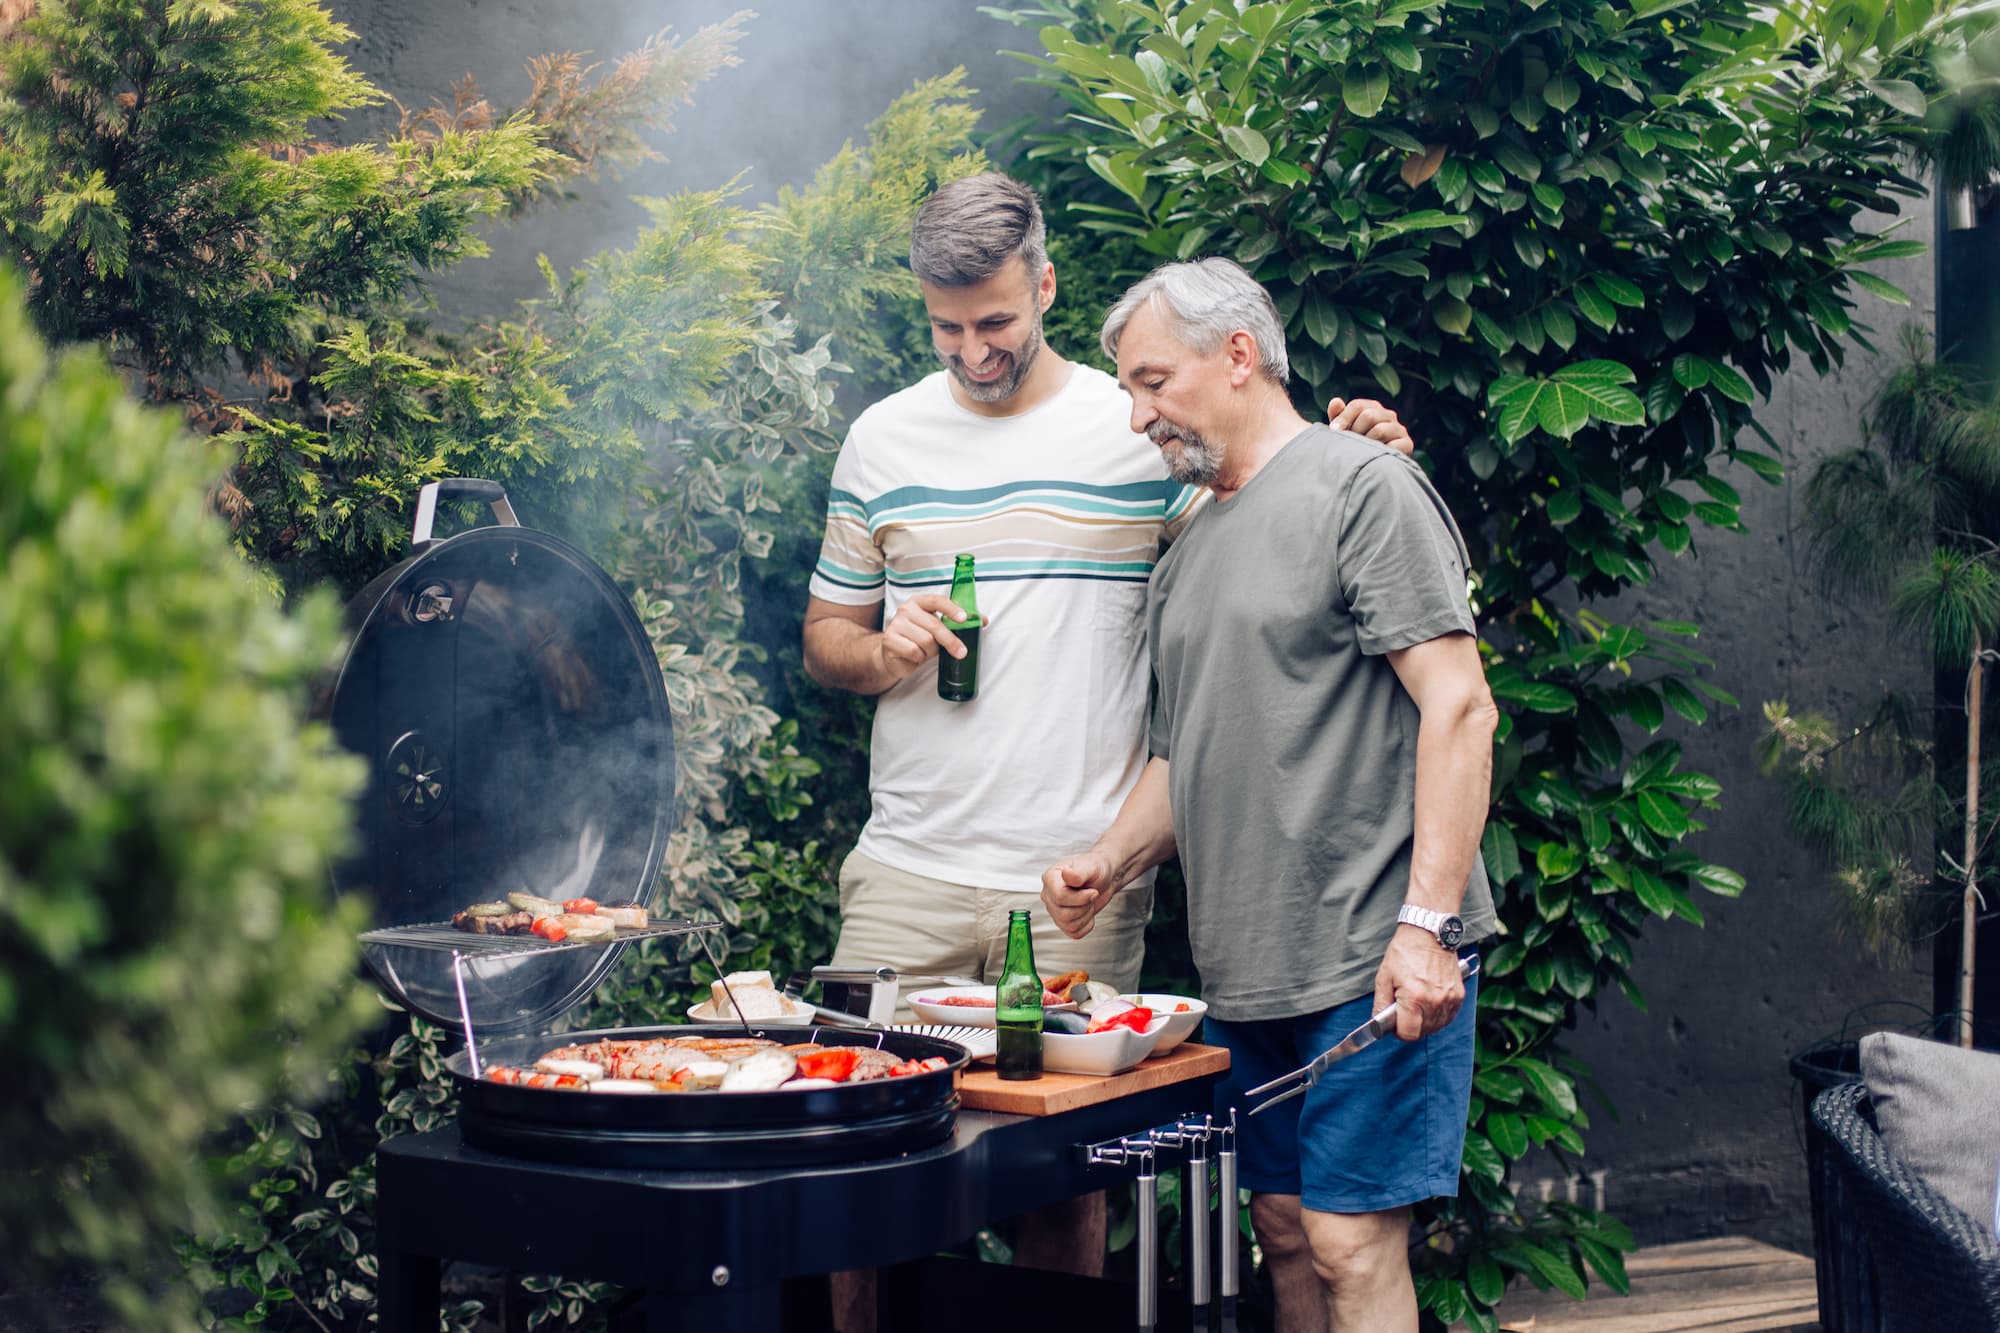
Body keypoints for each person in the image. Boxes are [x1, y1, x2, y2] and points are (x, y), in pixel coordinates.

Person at [800, 174, 1412, 1326]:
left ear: (1043, 285)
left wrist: (1357, 451)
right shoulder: (881, 437)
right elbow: (824, 636)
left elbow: (1266, 509)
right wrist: (880, 650)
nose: (973, 349)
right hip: (906, 870)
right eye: (945, 327)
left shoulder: (1132, 425)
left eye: (994, 319)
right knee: (859, 1162)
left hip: (1081, 875)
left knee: (1063, 1178)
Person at [1040, 256, 1499, 1333]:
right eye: (1130, 390)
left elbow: (1460, 707)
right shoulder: (1186, 548)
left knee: (1349, 1242)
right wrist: (1109, 859)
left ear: (1238, 354)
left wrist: (1427, 927)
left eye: (1153, 382)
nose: (1137, 416)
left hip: (1369, 948)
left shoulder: (1362, 486)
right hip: (1248, 969)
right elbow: (1184, 754)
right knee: (1285, 1232)